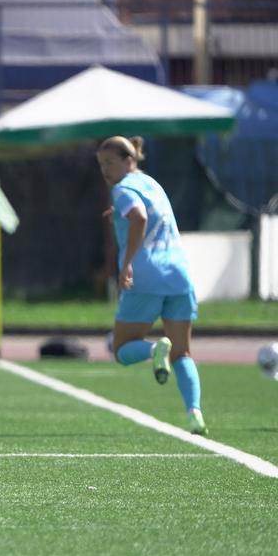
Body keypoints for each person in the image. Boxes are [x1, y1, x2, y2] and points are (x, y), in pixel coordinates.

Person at [97, 135, 207, 435]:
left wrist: (127, 262)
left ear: (129, 161)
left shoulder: (122, 189)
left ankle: (155, 348)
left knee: (121, 349)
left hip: (145, 277)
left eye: (110, 163)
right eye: (101, 164)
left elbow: (139, 217)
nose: (105, 170)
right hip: (178, 275)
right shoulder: (151, 184)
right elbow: (149, 213)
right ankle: (195, 413)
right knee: (183, 353)